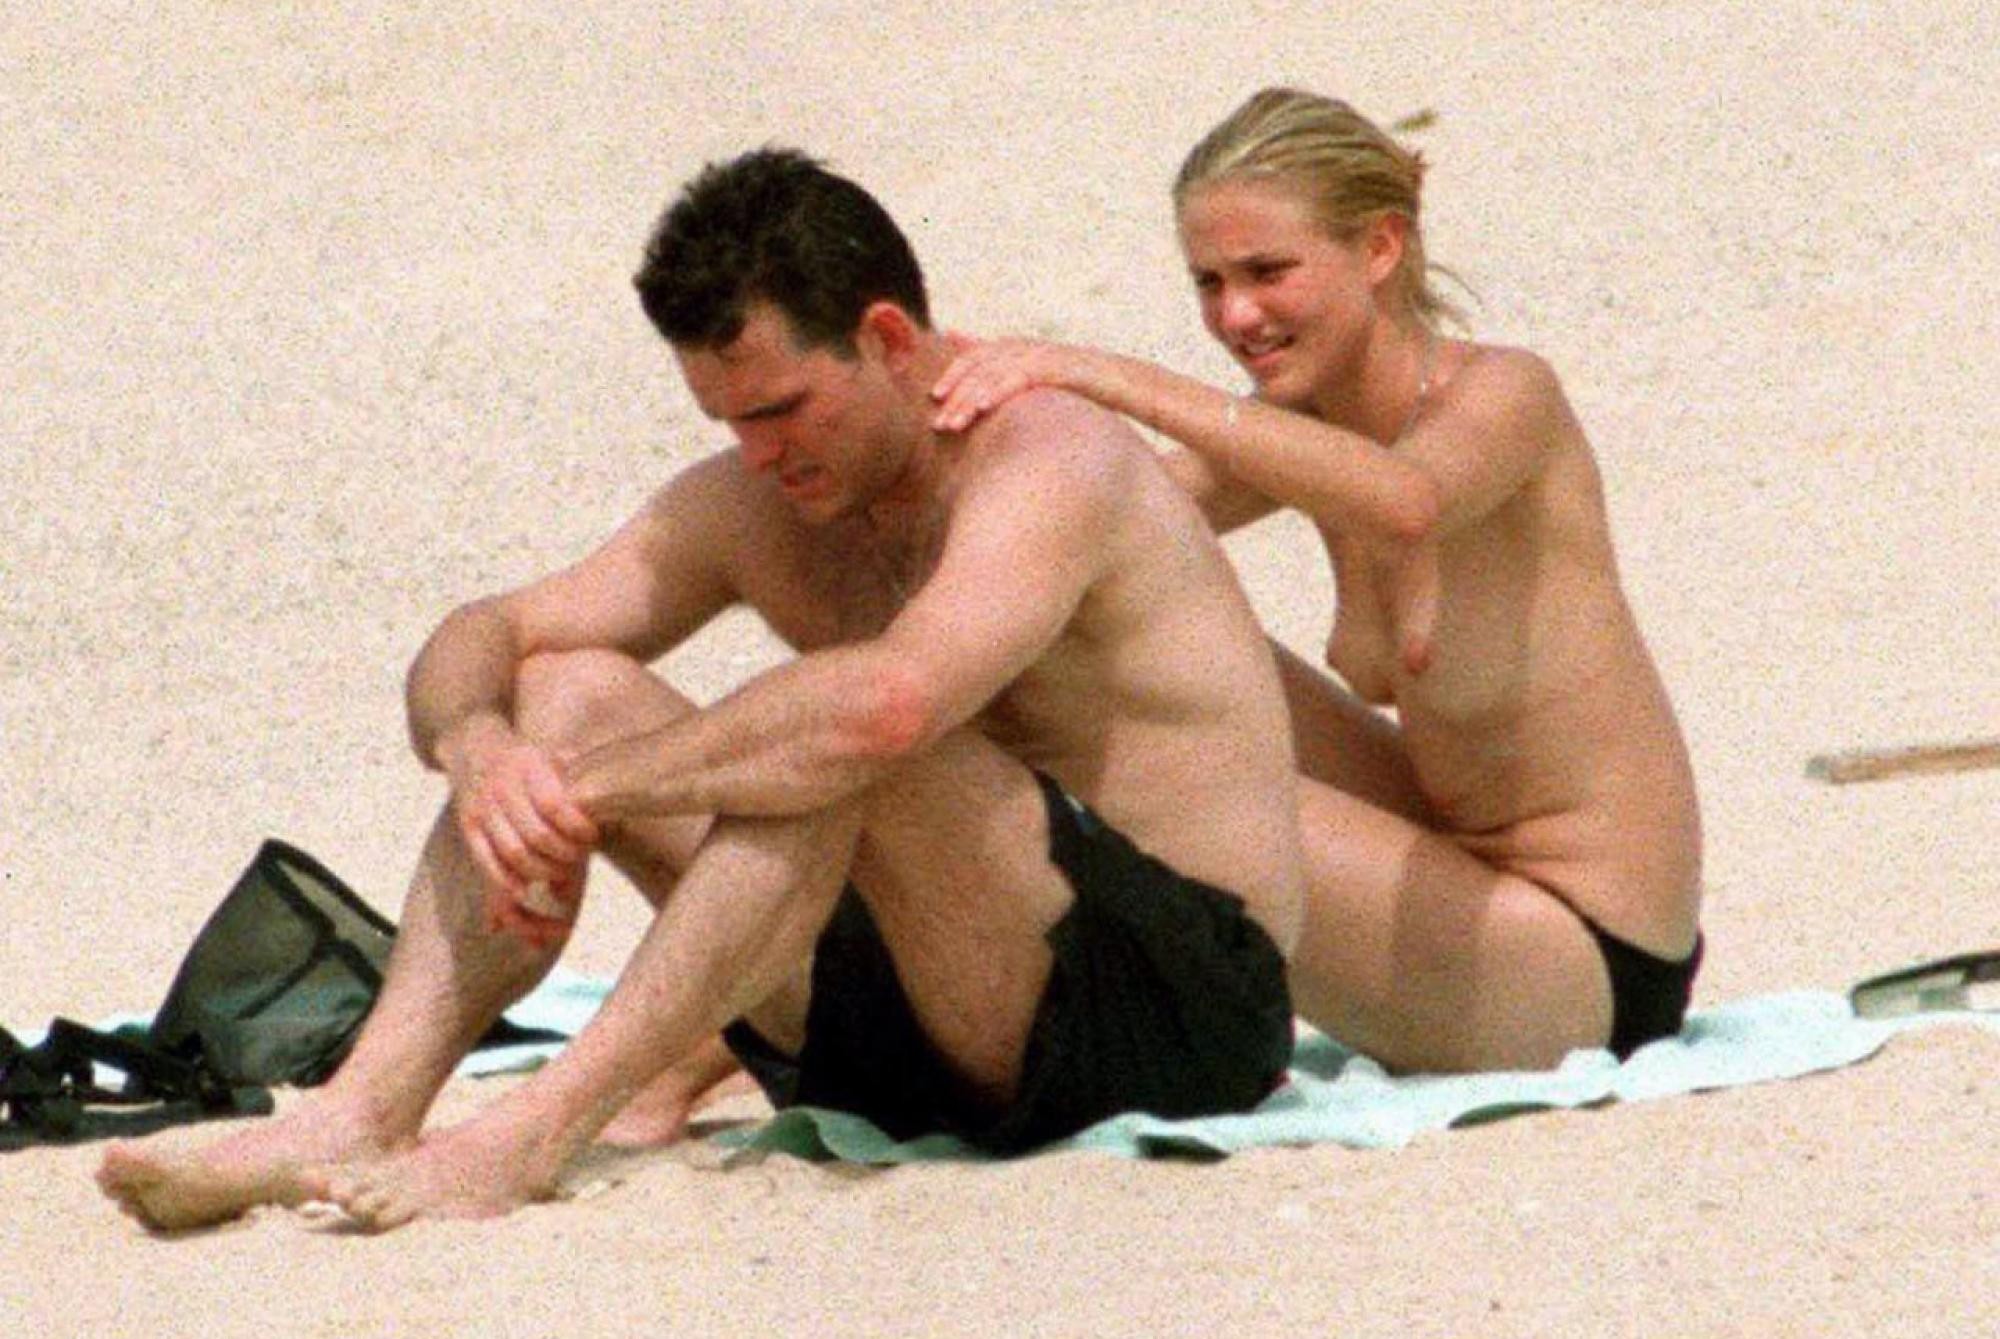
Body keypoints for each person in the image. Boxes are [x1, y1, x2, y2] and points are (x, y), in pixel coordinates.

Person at [95, 147, 1304, 1233]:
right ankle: (362, 1107)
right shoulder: (762, 500)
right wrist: (481, 752)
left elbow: (888, 707)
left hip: (1169, 1016)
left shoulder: (1049, 457)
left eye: (781, 408)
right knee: (565, 688)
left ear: (889, 340)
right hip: (908, 1022)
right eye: (729, 421)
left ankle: (534, 1132)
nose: (761, 453)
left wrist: (583, 792)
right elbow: (488, 631)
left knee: (840, 732)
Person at [931, 87, 1703, 1072]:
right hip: (1453, 861)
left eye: (1266, 272)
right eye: (1208, 282)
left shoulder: (1508, 397)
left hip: (1584, 952)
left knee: (1164, 767)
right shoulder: (1299, 432)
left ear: (1379, 247)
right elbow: (1085, 530)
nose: (1234, 315)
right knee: (1086, 637)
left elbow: (1406, 501)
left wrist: (1103, 375)